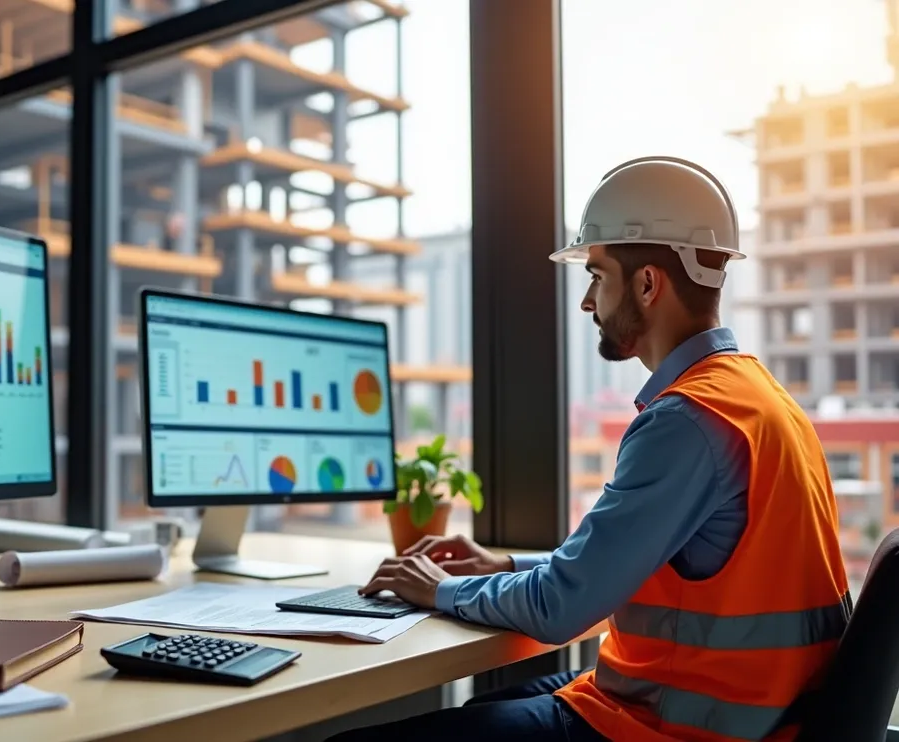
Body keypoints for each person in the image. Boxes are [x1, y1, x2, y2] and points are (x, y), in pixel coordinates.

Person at [329, 157, 851, 742]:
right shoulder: (758, 397)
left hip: (668, 727)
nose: (586, 302)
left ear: (648, 283)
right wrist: (503, 565)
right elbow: (617, 566)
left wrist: (436, 588)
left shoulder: (688, 420)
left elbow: (560, 609)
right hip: (724, 711)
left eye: (598, 276)